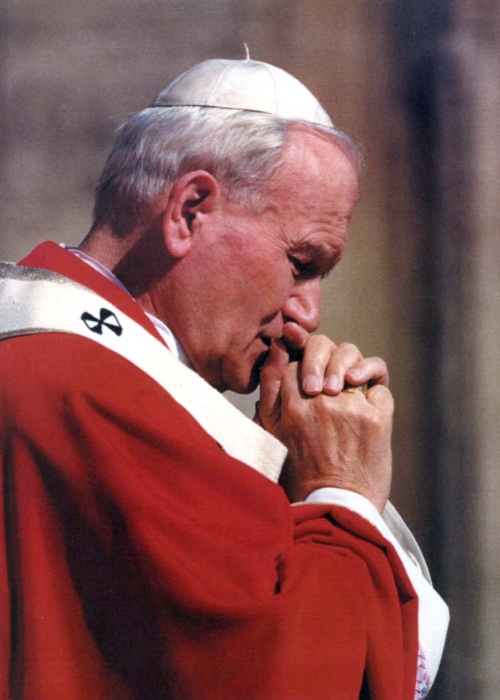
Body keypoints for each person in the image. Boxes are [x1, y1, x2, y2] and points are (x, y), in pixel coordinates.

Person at [0, 57, 448, 699]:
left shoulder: (41, 354)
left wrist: (278, 480)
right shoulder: (92, 396)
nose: (309, 315)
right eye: (302, 263)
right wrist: (340, 496)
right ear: (190, 210)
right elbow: (275, 676)